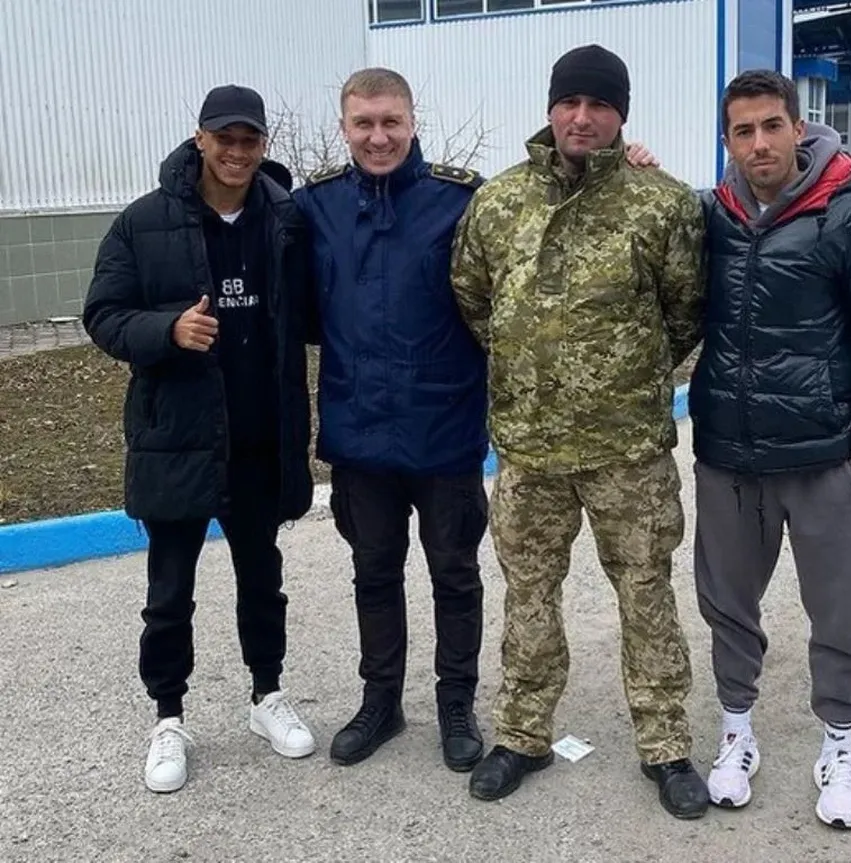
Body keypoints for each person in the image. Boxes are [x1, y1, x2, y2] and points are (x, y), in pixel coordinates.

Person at [450, 44, 710, 819]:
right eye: (570, 102)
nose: (583, 117)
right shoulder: (498, 202)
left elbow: (686, 309)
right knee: (529, 596)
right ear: (551, 107)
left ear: (621, 113)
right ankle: (523, 733)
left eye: (600, 104)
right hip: (529, 450)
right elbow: (473, 296)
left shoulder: (660, 203)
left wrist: (625, 376)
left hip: (626, 450)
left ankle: (665, 746)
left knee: (646, 594)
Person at [690, 69, 851, 828]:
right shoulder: (712, 217)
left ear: (800, 128)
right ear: (726, 140)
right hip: (730, 458)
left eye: (771, 126)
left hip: (828, 459)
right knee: (728, 606)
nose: (758, 143)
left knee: (835, 614)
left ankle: (839, 742)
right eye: (742, 130)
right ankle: (737, 733)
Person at [83, 84, 317, 793]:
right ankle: (169, 717)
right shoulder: (143, 222)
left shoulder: (285, 218)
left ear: (264, 144)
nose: (237, 152)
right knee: (169, 590)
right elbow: (103, 314)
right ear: (200, 139)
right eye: (225, 138)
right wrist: (168, 331)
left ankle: (266, 696)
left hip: (258, 438)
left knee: (262, 580)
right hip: (178, 440)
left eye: (250, 140)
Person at [293, 68, 492, 773]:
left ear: (413, 122)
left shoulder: (462, 201)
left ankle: (456, 705)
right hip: (361, 435)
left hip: (444, 432)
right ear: (344, 126)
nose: (378, 136)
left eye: (391, 122)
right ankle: (381, 701)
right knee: (373, 573)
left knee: (454, 574)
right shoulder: (312, 207)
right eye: (363, 123)